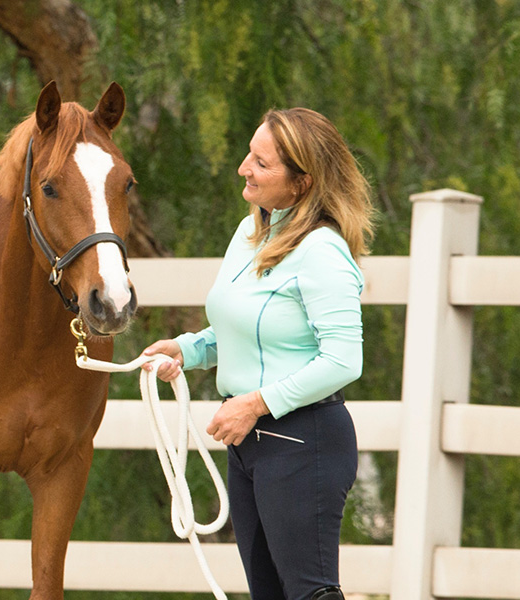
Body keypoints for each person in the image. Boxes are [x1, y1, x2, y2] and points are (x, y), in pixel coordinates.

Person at [142, 108, 376, 600]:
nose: (243, 168)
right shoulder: (249, 236)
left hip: (302, 440)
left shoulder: (322, 251)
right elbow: (241, 328)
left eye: (261, 162)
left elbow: (342, 361)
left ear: (301, 183)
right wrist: (187, 350)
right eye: (249, 154)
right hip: (251, 444)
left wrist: (253, 404)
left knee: (310, 594)